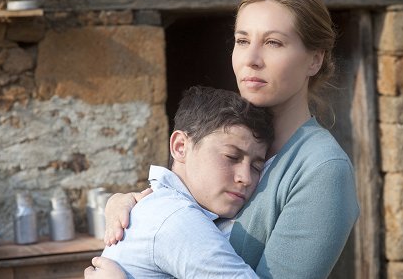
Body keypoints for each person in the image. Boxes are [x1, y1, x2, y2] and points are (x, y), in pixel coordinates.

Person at [87, 0, 360, 279]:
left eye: (273, 42)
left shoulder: (322, 169)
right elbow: (174, 221)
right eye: (242, 41)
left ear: (314, 60)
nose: (251, 59)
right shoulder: (222, 133)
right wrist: (129, 206)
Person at [93, 86, 274, 278]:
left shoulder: (164, 207)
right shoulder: (176, 219)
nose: (245, 178)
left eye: (256, 167)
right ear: (180, 147)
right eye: (231, 157)